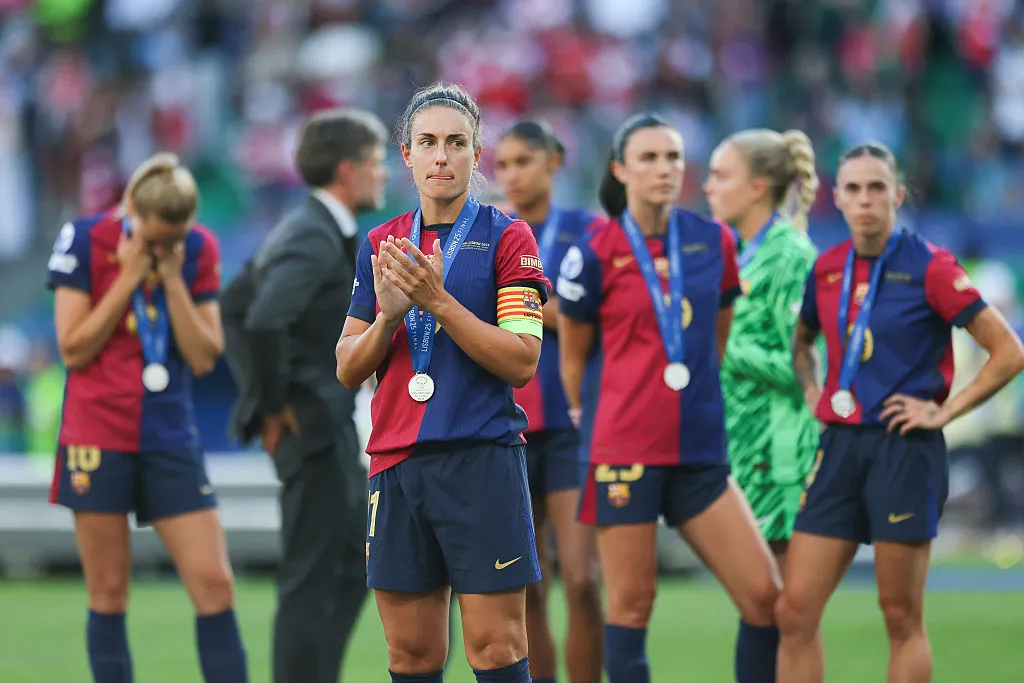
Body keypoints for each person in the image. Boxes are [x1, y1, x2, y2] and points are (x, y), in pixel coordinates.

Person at [779, 142, 1024, 683]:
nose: (865, 200)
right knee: (794, 611)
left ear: (898, 194)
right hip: (840, 447)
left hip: (903, 448)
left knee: (900, 617)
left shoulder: (931, 266)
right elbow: (802, 342)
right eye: (854, 189)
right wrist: (814, 392)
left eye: (877, 188)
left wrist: (944, 412)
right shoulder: (827, 268)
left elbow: (1009, 352)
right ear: (837, 198)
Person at [335, 82, 550, 683]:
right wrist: (388, 316)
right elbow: (349, 366)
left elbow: (521, 360)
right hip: (397, 466)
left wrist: (440, 302)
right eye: (427, 142)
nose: (441, 156)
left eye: (456, 143)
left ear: (475, 154)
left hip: (481, 458)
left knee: (498, 648)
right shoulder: (381, 244)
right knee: (410, 656)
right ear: (406, 154)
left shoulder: (510, 238)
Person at [557, 113, 782, 683]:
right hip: (623, 451)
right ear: (620, 169)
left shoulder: (714, 241)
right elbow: (573, 353)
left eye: (673, 158)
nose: (665, 169)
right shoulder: (595, 251)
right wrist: (586, 413)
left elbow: (718, 335)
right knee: (631, 609)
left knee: (765, 600)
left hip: (699, 450)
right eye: (650, 158)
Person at [46, 153, 247, 683]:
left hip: (168, 434)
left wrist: (174, 281)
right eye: (154, 238)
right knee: (109, 592)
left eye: (172, 240)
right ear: (131, 209)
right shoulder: (84, 239)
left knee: (215, 584)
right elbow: (72, 348)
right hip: (96, 433)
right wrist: (128, 278)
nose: (162, 250)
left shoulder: (198, 248)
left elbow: (205, 357)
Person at [220, 109, 389, 682]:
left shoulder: (309, 227)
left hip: (325, 423)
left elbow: (235, 302)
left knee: (350, 563)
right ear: (347, 170)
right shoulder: (315, 235)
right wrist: (271, 404)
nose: (384, 173)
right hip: (311, 426)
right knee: (312, 576)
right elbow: (262, 319)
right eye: (374, 161)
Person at [703, 129, 821, 674]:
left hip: (780, 452)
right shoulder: (737, 250)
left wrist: (720, 346)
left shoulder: (790, 255)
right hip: (740, 447)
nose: (706, 187)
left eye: (719, 175)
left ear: (756, 187)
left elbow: (809, 363)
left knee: (786, 611)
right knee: (762, 605)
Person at [494, 118, 603, 683]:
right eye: (503, 164)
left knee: (582, 580)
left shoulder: (590, 232)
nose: (510, 175)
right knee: (528, 586)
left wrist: (536, 309)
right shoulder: (491, 234)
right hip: (509, 428)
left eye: (523, 162)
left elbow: (609, 315)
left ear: (554, 162)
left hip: (572, 424)